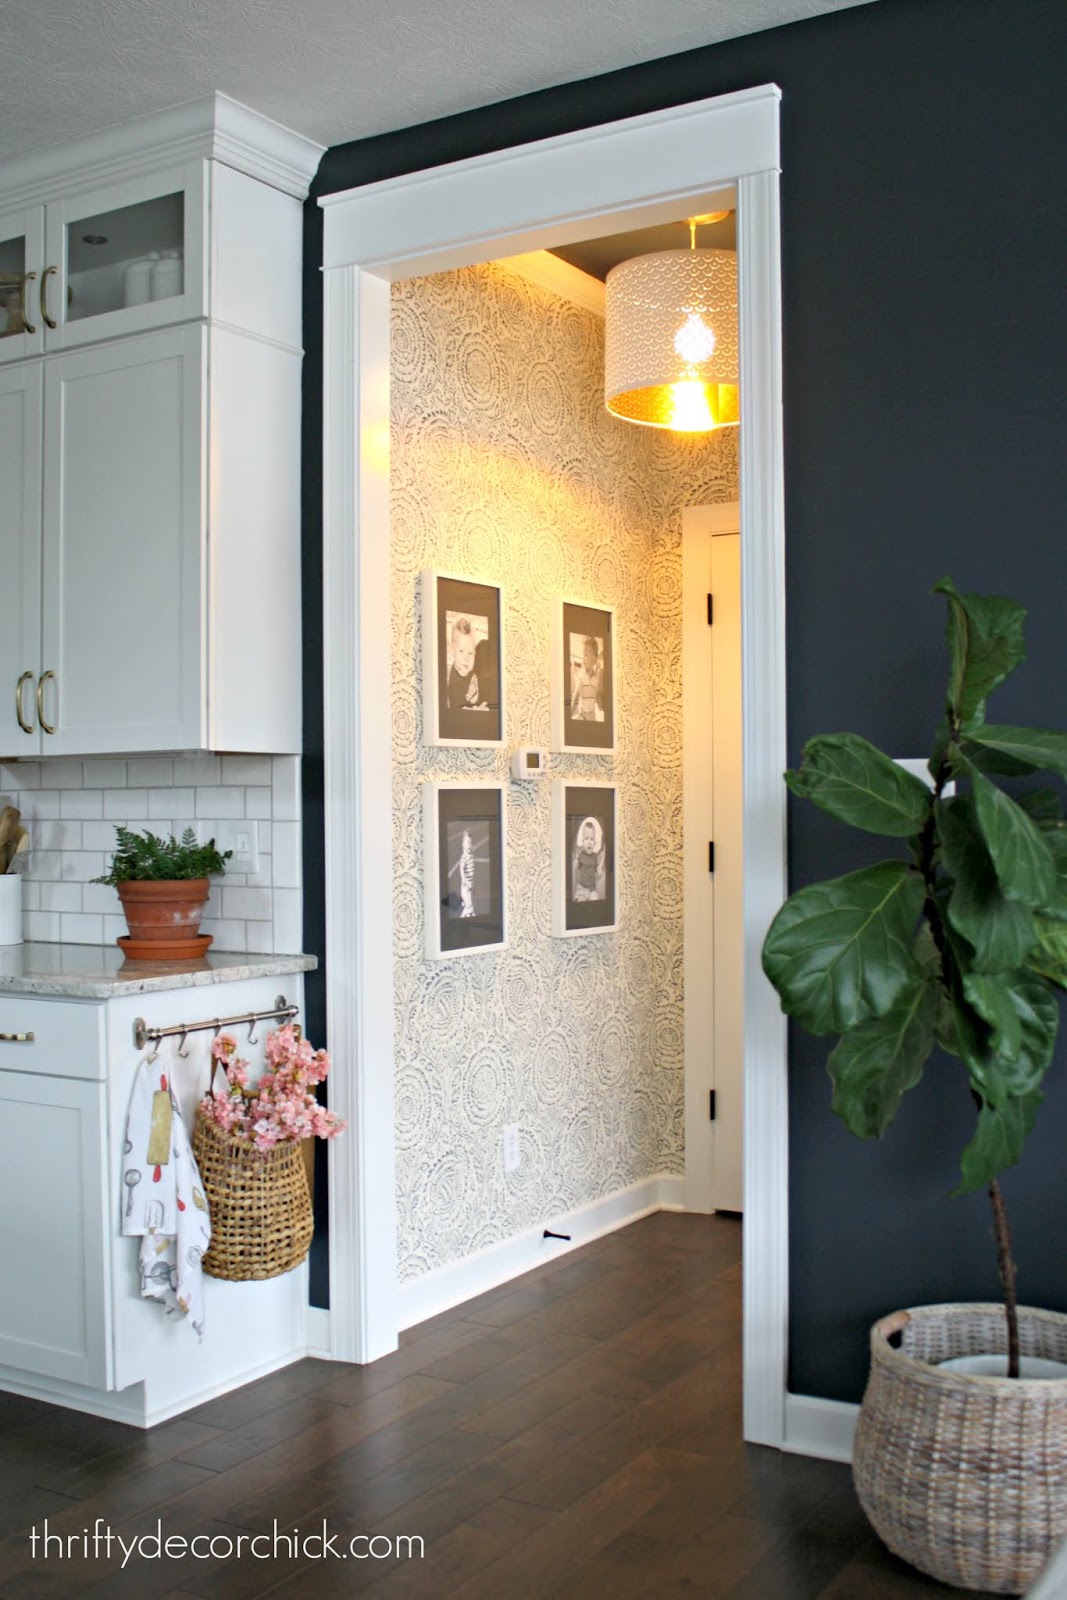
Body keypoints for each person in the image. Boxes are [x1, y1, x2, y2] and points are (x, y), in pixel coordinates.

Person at [571, 636, 604, 721]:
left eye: (586, 655)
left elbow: (599, 701)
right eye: (583, 655)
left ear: (594, 658)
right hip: (582, 718)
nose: (583, 660)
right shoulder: (581, 677)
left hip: (593, 719)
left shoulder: (597, 678)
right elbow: (574, 701)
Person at [572, 817, 605, 901]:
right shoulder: (581, 854)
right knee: (579, 899)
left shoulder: (595, 857)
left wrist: (601, 862)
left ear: (594, 843)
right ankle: (579, 899)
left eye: (591, 839)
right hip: (581, 888)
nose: (589, 842)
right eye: (586, 839)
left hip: (592, 889)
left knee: (595, 898)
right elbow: (576, 868)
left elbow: (598, 872)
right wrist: (575, 863)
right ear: (583, 841)